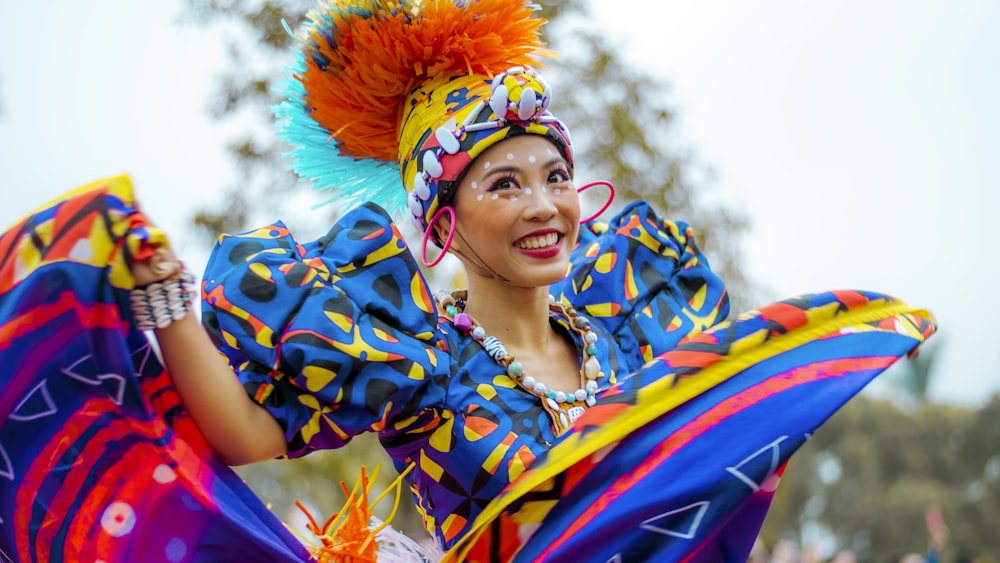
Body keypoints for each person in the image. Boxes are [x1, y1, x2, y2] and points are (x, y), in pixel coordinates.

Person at [0, 1, 936, 562]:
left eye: (557, 178)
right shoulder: (412, 352)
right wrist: (165, 299)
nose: (547, 206)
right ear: (444, 224)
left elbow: (712, 476)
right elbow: (242, 434)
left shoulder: (635, 321)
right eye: (506, 184)